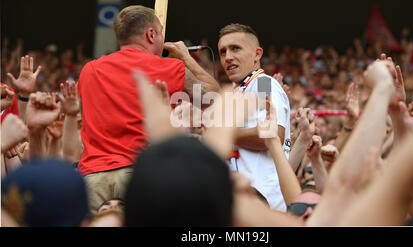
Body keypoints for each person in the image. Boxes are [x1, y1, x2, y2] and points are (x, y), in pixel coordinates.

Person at [77, 5, 220, 214]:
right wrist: (186, 58)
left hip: (92, 177)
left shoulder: (89, 70)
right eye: (161, 32)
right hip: (143, 175)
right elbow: (213, 96)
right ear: (151, 34)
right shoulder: (171, 68)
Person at [217, 23, 290, 211]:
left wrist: (224, 133)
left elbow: (273, 135)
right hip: (242, 205)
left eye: (235, 49)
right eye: (223, 52)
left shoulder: (264, 83)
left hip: (266, 205)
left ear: (257, 54)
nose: (228, 57)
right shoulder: (239, 90)